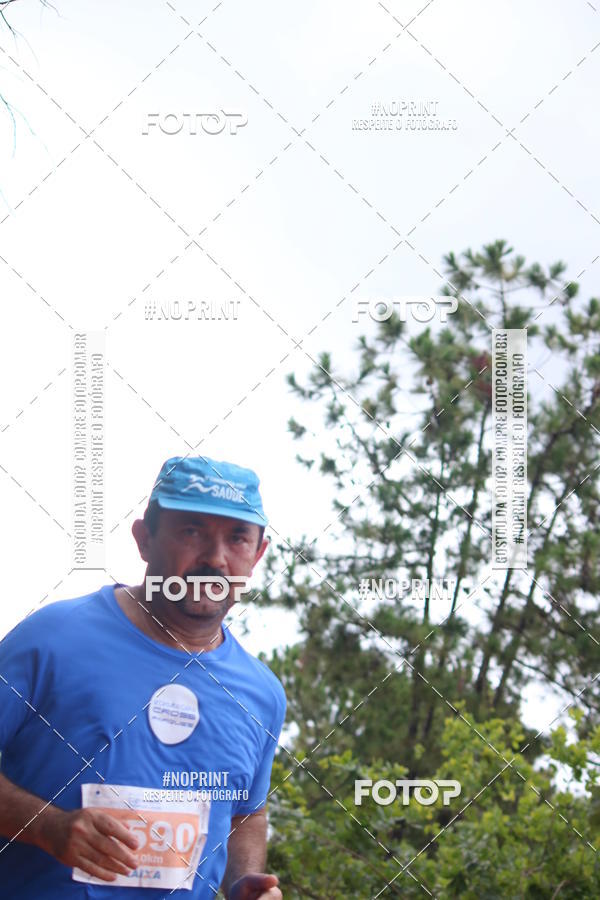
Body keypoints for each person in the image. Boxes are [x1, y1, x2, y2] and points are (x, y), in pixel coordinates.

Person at [0, 456, 286, 899]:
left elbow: (247, 814)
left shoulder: (261, 695)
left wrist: (242, 881)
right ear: (144, 538)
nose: (215, 558)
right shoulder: (52, 640)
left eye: (237, 538)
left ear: (258, 554)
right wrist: (49, 828)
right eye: (192, 531)